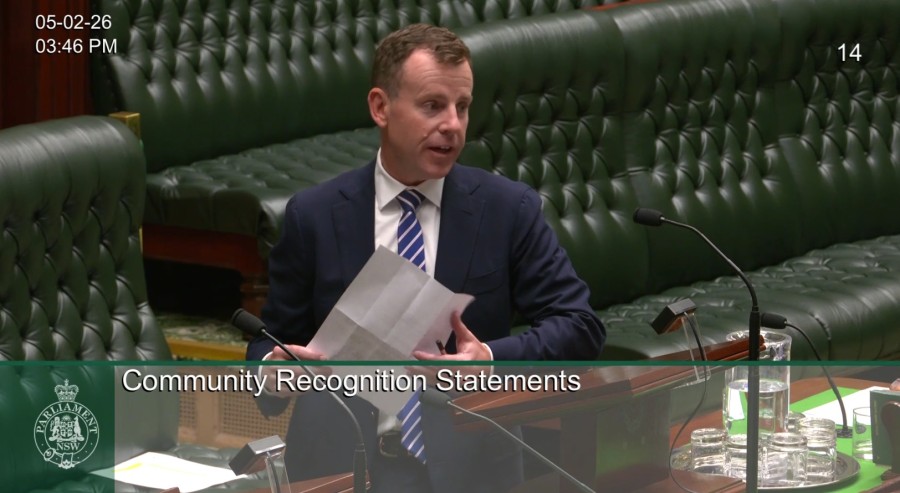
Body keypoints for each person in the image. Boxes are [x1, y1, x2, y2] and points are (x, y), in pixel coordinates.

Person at [246, 23, 605, 493]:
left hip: (473, 470)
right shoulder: (314, 216)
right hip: (345, 470)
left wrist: (490, 359)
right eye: (433, 105)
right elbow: (269, 344)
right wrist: (275, 373)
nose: (452, 124)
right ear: (381, 107)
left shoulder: (505, 210)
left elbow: (580, 326)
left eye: (462, 106)